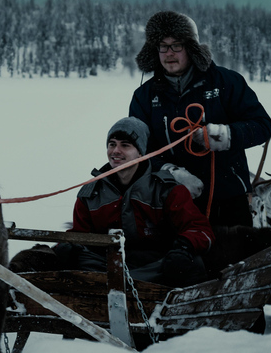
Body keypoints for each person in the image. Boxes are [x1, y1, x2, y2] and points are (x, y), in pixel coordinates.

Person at [129, 10, 271, 227]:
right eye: (163, 46)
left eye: (176, 45)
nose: (169, 53)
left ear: (191, 47)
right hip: (172, 202)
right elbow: (138, 151)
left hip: (229, 201)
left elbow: (262, 126)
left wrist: (223, 136)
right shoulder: (144, 96)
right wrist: (171, 173)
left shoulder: (227, 82)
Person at [54, 117, 214, 287]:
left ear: (140, 152)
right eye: (112, 144)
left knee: (191, 263)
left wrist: (183, 248)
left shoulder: (167, 190)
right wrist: (66, 246)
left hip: (154, 267)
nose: (116, 150)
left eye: (125, 145)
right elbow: (80, 236)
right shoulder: (91, 193)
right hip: (104, 266)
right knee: (64, 258)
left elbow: (200, 230)